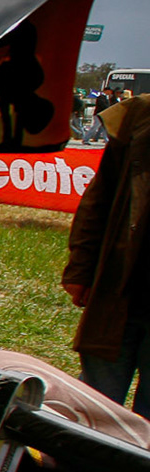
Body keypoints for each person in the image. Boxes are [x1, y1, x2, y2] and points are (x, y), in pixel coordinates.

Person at [63, 97, 150, 412]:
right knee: (95, 412)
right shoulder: (138, 114)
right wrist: (80, 270)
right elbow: (98, 200)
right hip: (119, 294)